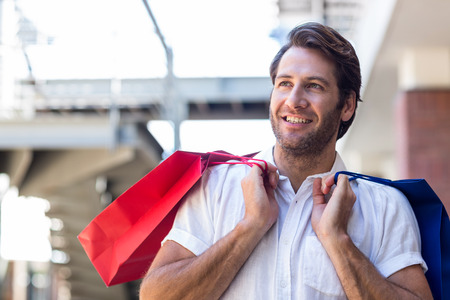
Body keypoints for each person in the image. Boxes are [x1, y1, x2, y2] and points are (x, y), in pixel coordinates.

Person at [139, 22, 432, 300]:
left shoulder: (386, 206)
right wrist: (249, 227)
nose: (294, 100)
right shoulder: (214, 188)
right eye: (284, 83)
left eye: (314, 86)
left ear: (346, 105)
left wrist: (338, 242)